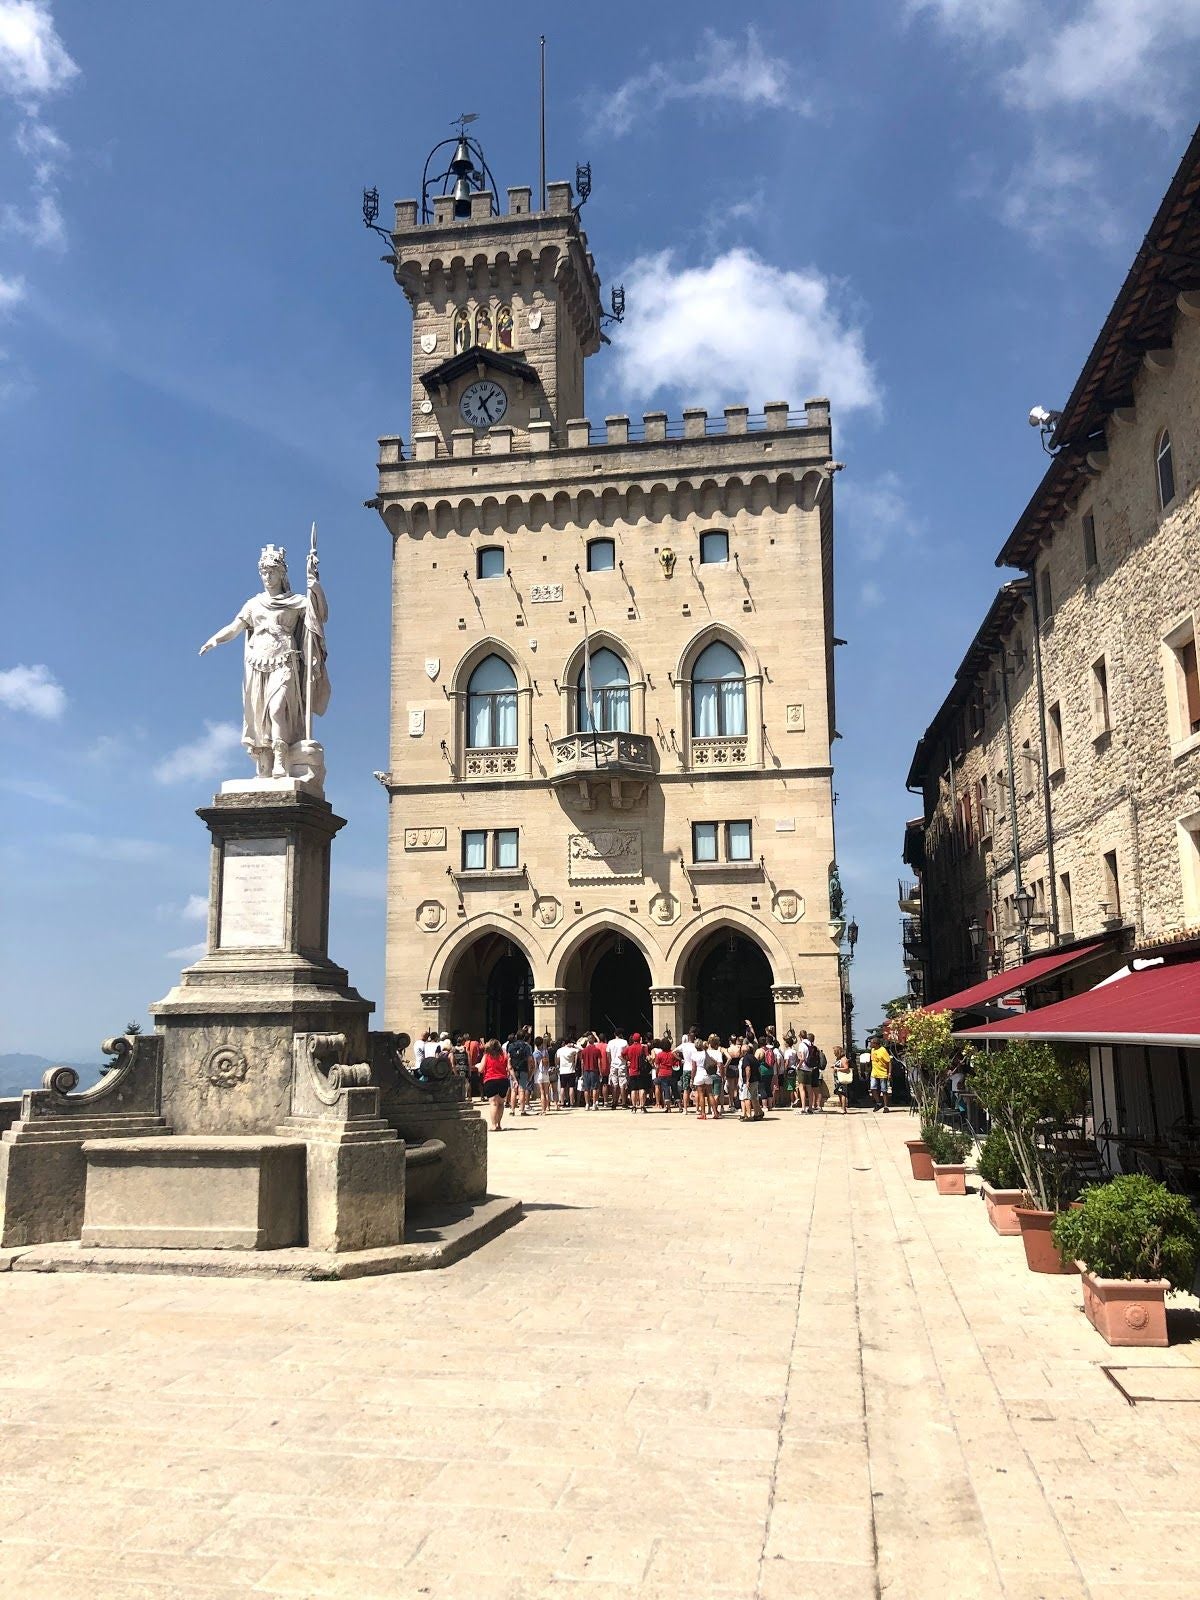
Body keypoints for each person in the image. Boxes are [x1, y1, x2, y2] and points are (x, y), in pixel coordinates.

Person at [199, 541, 329, 780]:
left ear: (282, 573)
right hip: (257, 662)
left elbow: (318, 613)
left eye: (272, 571)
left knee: (277, 707)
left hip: (285, 660)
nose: (267, 577)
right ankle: (265, 761)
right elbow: (235, 627)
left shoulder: (295, 601)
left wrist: (315, 584)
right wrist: (215, 640)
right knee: (260, 715)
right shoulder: (253, 604)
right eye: (263, 572)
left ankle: (281, 757)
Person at [480, 1038, 510, 1131]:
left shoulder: (487, 1055)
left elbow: (481, 1069)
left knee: (493, 1103)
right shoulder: (504, 1055)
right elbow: (509, 1068)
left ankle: (493, 1125)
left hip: (490, 1080)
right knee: (501, 1103)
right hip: (503, 1080)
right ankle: (499, 1124)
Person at [506, 1030, 533, 1115]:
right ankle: (522, 1110)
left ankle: (512, 1110)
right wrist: (529, 1071)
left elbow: (508, 1058)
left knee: (514, 1090)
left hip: (513, 1070)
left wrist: (509, 1068)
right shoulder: (526, 1046)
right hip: (523, 1069)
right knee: (522, 1090)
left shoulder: (510, 1046)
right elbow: (529, 1060)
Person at [579, 1032, 605, 1109]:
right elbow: (599, 1062)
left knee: (586, 1088)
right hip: (594, 1070)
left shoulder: (584, 1051)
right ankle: (594, 1104)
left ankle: (587, 1104)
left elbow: (582, 1063)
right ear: (593, 1040)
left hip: (586, 1070)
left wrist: (582, 1072)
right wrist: (600, 1072)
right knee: (595, 1088)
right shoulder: (597, 1050)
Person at [692, 1037, 716, 1120]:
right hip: (707, 1074)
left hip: (699, 1075)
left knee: (701, 1095)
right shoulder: (706, 1053)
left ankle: (703, 1114)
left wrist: (692, 1078)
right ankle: (715, 1112)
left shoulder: (694, 1055)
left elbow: (694, 1068)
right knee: (710, 1094)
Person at [625, 1032, 649, 1112]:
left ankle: (634, 1106)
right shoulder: (643, 1047)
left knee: (633, 1089)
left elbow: (621, 1054)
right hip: (641, 1071)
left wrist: (627, 1061)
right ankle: (642, 1106)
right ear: (640, 1039)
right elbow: (647, 1057)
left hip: (632, 1071)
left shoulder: (629, 1048)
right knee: (642, 1089)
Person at [870, 1037, 893, 1111]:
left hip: (882, 1073)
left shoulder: (883, 1050)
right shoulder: (873, 1050)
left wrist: (889, 1073)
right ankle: (878, 1103)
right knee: (873, 1088)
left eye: (871, 1043)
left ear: (876, 1044)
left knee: (884, 1090)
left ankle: (886, 1106)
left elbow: (889, 1062)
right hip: (874, 1073)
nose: (870, 1044)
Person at [607, 1028, 629, 1109]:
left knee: (614, 1084)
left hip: (613, 1064)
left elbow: (608, 1054)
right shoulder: (624, 1042)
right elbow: (627, 1052)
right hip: (622, 1064)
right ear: (621, 1034)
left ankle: (614, 1102)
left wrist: (610, 1062)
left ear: (614, 1034)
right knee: (622, 1084)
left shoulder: (610, 1042)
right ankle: (623, 1103)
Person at [556, 1037, 580, 1107]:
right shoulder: (572, 1050)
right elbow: (580, 1049)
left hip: (562, 1071)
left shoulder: (559, 1050)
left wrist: (558, 1065)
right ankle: (572, 1102)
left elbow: (557, 1060)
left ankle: (562, 1102)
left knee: (562, 1087)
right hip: (571, 1071)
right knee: (571, 1087)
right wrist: (573, 1045)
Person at [653, 1039, 676, 1111]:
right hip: (670, 1072)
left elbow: (657, 1065)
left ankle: (667, 1107)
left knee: (665, 1090)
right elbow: (674, 1062)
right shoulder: (672, 1053)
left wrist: (657, 1072)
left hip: (662, 1073)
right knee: (672, 1089)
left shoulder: (659, 1054)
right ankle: (678, 1105)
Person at [532, 1035, 553, 1114]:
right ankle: (548, 1107)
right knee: (547, 1092)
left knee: (542, 1092)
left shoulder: (535, 1053)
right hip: (546, 1072)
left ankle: (543, 1110)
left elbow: (534, 1065)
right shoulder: (545, 1052)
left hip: (539, 1073)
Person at [832, 1044, 854, 1113]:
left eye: (835, 1052)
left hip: (842, 1078)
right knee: (839, 1092)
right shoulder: (838, 1059)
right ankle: (842, 1107)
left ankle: (844, 1108)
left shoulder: (844, 1059)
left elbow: (846, 1068)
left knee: (842, 1093)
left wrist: (837, 1069)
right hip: (837, 1078)